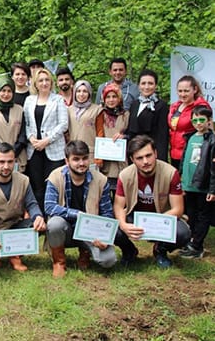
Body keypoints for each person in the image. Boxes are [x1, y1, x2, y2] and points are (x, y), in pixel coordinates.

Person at [113, 135, 190, 268]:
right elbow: (119, 206)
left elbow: (178, 209)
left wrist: (155, 223)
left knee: (183, 233)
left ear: (156, 153)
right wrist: (124, 225)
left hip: (163, 216)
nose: (145, 161)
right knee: (113, 228)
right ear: (132, 160)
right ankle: (129, 251)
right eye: (139, 158)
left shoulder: (171, 173)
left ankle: (160, 249)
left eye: (149, 155)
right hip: (135, 216)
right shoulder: (124, 175)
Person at [45, 141, 117, 278]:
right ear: (67, 161)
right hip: (65, 229)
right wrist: (76, 214)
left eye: (84, 158)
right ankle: (59, 262)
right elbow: (49, 207)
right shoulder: (55, 176)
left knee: (109, 261)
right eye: (76, 159)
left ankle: (85, 253)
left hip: (90, 231)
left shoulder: (101, 180)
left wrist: (104, 237)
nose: (81, 163)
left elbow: (107, 213)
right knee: (54, 223)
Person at [0, 143, 46, 271]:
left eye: (10, 162)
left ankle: (14, 255)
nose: (6, 166)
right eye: (1, 162)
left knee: (38, 225)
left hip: (14, 227)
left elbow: (32, 204)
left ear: (15, 161)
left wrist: (38, 216)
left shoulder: (24, 180)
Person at [24, 68, 68, 209]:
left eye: (47, 80)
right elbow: (26, 123)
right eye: (41, 80)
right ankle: (39, 216)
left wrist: (46, 141)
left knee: (53, 184)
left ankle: (53, 214)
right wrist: (31, 138)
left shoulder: (58, 100)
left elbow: (63, 124)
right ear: (35, 84)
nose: (44, 83)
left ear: (51, 82)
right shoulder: (29, 100)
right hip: (34, 149)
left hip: (53, 149)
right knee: (37, 185)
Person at [178, 106, 214, 258]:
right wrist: (181, 179)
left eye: (202, 120)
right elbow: (184, 161)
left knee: (203, 215)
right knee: (191, 213)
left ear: (209, 121)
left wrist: (212, 189)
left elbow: (213, 167)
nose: (198, 123)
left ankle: (198, 245)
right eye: (195, 120)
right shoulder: (190, 137)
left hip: (203, 186)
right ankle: (191, 241)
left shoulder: (212, 140)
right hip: (189, 185)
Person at [0, 75, 27, 172]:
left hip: (18, 157)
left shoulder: (19, 109)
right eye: (3, 91)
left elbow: (23, 134)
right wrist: (3, 154)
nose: (6, 94)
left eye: (9, 91)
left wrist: (14, 151)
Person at [168, 75, 211, 169]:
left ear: (195, 89)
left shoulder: (201, 107)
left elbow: (208, 131)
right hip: (174, 152)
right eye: (180, 91)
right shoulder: (174, 106)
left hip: (192, 152)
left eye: (186, 91)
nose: (183, 94)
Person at [126, 69, 169, 162]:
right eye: (143, 83)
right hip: (134, 152)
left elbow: (162, 135)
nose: (146, 87)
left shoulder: (161, 106)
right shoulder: (135, 104)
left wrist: (160, 159)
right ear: (138, 85)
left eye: (150, 83)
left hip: (149, 154)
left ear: (155, 86)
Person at [95, 84, 129, 194]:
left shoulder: (125, 114)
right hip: (105, 162)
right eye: (108, 97)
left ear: (119, 98)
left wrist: (124, 136)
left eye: (114, 96)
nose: (111, 100)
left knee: (120, 193)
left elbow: (132, 133)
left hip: (121, 161)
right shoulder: (99, 114)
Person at [67, 80, 101, 163]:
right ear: (74, 93)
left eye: (85, 91)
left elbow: (101, 133)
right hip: (73, 152)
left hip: (90, 152)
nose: (81, 94)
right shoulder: (68, 110)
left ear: (89, 93)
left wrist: (99, 157)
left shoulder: (97, 110)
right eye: (78, 91)